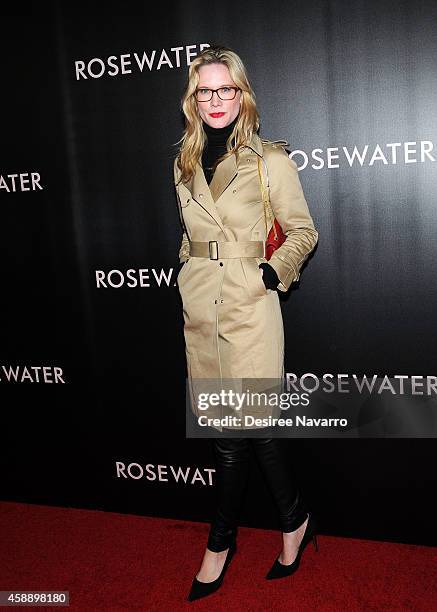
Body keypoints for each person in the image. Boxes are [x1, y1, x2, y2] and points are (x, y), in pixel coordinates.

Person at [173, 45, 319, 602]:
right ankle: (296, 520)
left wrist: (268, 275)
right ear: (193, 98)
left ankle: (219, 544)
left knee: (240, 435)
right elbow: (191, 234)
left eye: (225, 89)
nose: (215, 100)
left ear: (242, 94)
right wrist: (190, 271)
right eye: (204, 91)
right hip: (199, 308)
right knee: (243, 432)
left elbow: (303, 232)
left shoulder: (268, 161)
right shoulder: (183, 160)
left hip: (250, 307)